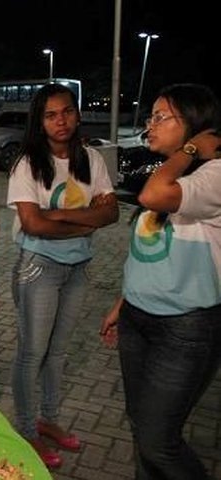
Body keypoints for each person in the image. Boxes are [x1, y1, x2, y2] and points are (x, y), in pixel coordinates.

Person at [100, 84, 221, 479]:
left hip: (184, 326)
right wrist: (123, 301)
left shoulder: (214, 174)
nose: (148, 125)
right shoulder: (174, 171)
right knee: (141, 427)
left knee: (159, 439)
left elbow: (154, 195)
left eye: (160, 117)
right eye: (149, 115)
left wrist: (190, 150)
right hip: (138, 318)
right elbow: (148, 252)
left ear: (195, 126)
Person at [7, 83, 118, 468]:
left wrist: (58, 216)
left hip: (78, 268)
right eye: (52, 114)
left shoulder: (91, 159)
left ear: (77, 113)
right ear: (40, 121)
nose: (61, 121)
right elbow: (32, 225)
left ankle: (48, 420)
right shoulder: (27, 163)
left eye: (67, 111)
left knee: (59, 353)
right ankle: (24, 431)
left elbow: (111, 214)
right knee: (32, 352)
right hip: (38, 268)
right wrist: (86, 223)